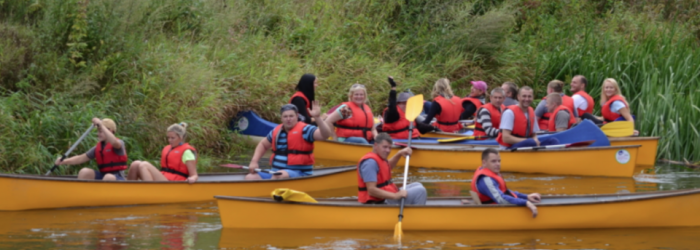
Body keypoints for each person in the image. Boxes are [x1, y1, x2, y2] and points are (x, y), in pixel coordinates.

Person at [245, 103, 332, 180]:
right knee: (250, 177)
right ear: (281, 118)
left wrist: (317, 118)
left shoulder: (306, 129)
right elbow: (263, 145)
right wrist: (254, 161)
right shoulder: (276, 131)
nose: (288, 119)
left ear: (297, 117)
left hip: (299, 173)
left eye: (291, 116)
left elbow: (324, 135)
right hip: (275, 171)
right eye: (285, 116)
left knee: (279, 176)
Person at [357, 133, 427, 205]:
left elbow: (387, 168)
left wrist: (399, 154)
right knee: (421, 191)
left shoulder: (379, 158)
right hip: (379, 202)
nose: (388, 150)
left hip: (388, 196)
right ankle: (415, 215)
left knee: (417, 184)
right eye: (385, 147)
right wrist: (395, 196)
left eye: (389, 148)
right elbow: (371, 190)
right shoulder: (370, 163)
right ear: (375, 145)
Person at [471, 148, 540, 217]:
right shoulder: (486, 179)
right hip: (492, 214)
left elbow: (504, 191)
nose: (498, 164)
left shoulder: (492, 173)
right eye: (493, 161)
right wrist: (526, 203)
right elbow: (501, 200)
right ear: (484, 163)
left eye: (499, 161)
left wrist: (526, 197)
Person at [54, 118, 127, 181]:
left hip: (117, 178)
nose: (98, 134)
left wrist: (101, 124)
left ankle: (103, 197)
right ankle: (81, 195)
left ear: (111, 131)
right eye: (98, 131)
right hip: (103, 176)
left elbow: (114, 142)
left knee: (108, 177)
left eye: (101, 131)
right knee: (84, 171)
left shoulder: (119, 143)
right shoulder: (98, 148)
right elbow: (80, 158)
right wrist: (63, 161)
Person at [127, 123, 198, 183]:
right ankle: (128, 192)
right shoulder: (167, 148)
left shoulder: (187, 152)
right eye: (168, 138)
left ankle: (149, 192)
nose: (170, 140)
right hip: (164, 177)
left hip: (175, 182)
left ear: (181, 138)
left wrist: (193, 179)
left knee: (144, 165)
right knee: (135, 164)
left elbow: (194, 175)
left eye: (173, 138)